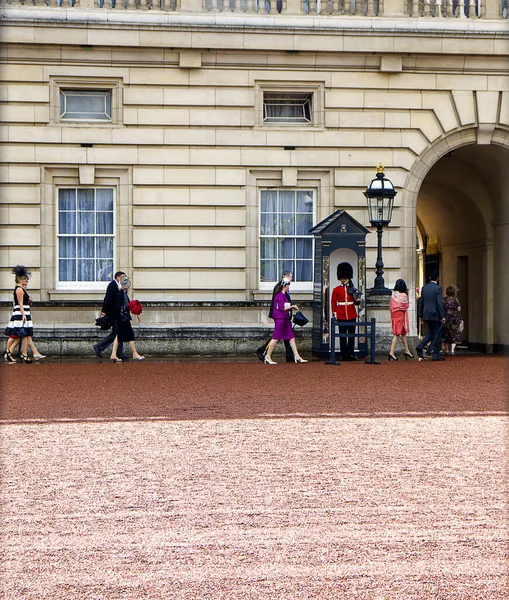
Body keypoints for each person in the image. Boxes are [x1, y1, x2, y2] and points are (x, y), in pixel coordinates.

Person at [263, 280, 307, 365]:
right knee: (275, 337)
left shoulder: (282, 295)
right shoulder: (280, 295)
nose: (288, 287)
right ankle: (267, 356)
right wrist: (292, 306)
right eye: (287, 286)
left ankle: (297, 355)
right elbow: (281, 308)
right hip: (280, 318)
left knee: (291, 337)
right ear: (284, 286)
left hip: (284, 318)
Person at [255, 270, 295, 363]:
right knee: (277, 336)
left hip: (284, 315)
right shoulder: (279, 287)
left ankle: (290, 355)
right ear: (285, 277)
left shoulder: (285, 287)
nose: (291, 279)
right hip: (280, 315)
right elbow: (278, 303)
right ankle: (263, 350)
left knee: (286, 335)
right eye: (290, 277)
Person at [110, 276, 144, 362]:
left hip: (122, 316)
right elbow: (121, 306)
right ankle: (135, 353)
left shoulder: (122, 292)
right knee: (130, 335)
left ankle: (114, 354)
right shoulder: (121, 293)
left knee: (119, 335)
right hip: (123, 317)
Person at [330, 262, 360, 361]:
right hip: (341, 314)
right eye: (342, 277)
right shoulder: (336, 290)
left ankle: (350, 353)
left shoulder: (352, 289)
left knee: (351, 336)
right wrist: (335, 314)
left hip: (351, 314)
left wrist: (357, 299)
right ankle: (344, 354)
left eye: (344, 277)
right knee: (343, 336)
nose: (343, 279)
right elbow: (333, 303)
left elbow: (355, 303)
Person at [4, 265, 34, 363]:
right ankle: (14, 353)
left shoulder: (21, 289)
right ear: (20, 280)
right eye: (24, 279)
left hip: (23, 312)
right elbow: (20, 303)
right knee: (17, 334)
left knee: (22, 334)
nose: (26, 281)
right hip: (21, 313)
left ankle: (12, 352)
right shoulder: (19, 289)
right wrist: (23, 314)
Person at [93, 271, 126, 360]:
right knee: (116, 333)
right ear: (117, 277)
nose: (124, 279)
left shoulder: (120, 286)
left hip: (118, 313)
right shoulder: (112, 285)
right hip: (113, 313)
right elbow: (107, 299)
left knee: (119, 332)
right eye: (122, 277)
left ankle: (119, 353)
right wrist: (104, 311)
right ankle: (99, 347)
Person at [415, 271, 446, 361]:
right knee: (437, 333)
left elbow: (422, 302)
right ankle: (435, 354)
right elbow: (439, 302)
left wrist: (420, 314)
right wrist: (442, 316)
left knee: (432, 332)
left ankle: (421, 346)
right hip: (435, 313)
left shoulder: (424, 288)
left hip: (426, 313)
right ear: (437, 278)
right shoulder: (438, 288)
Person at [388, 279, 413, 361]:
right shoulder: (403, 295)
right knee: (397, 334)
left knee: (403, 334)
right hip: (400, 315)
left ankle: (407, 350)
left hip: (394, 316)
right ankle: (391, 352)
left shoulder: (393, 294)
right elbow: (406, 305)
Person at [442, 285, 463, 356]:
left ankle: (446, 349)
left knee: (446, 334)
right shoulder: (456, 300)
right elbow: (459, 309)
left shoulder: (444, 299)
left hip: (446, 318)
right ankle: (452, 350)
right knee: (454, 334)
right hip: (454, 319)